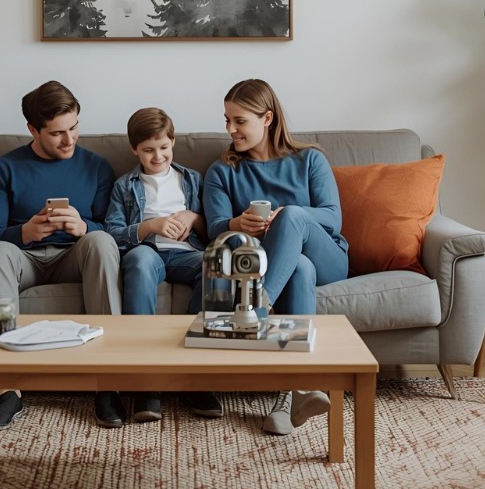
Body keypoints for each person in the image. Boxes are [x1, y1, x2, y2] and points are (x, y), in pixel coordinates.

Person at [202, 78, 349, 436]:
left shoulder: (309, 159)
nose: (230, 129)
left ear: (267, 118)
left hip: (328, 256)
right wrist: (238, 224)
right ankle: (294, 393)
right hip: (281, 263)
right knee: (299, 267)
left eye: (239, 121)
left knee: (294, 217)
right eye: (226, 120)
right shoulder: (223, 171)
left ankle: (253, 312)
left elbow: (332, 216)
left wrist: (286, 215)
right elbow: (214, 231)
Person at [0, 80, 123, 430]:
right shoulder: (3, 169)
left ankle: (108, 382)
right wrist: (24, 232)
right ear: (33, 129)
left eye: (74, 128)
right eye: (57, 133)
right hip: (23, 260)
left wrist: (85, 227)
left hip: (75, 256)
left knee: (101, 242)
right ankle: (6, 388)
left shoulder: (97, 167)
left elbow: (112, 228)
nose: (69, 140)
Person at [104, 107, 223, 423]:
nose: (157, 156)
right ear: (135, 150)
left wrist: (193, 218)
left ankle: (193, 369)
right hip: (147, 251)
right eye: (148, 150)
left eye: (163, 148)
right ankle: (146, 380)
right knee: (140, 263)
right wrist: (151, 226)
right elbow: (112, 231)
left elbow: (214, 227)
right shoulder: (124, 186)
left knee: (214, 263)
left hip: (187, 252)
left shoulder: (192, 180)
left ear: (173, 143)